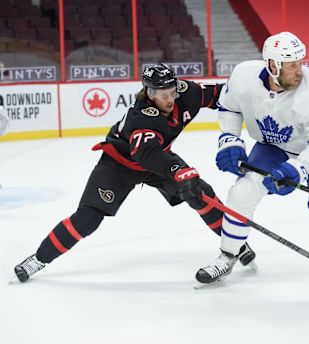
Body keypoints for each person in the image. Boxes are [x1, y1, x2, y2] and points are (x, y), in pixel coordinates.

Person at [14, 64, 256, 282]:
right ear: (150, 94)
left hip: (158, 157)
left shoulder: (186, 92)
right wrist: (180, 171)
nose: (171, 99)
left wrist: (254, 95)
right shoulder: (141, 118)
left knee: (201, 194)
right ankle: (39, 258)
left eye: (173, 92)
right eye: (164, 95)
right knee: (88, 218)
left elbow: (221, 95)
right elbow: (147, 155)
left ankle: (235, 245)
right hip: (120, 165)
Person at [195, 32, 309, 285]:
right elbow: (230, 108)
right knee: (242, 193)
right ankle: (228, 256)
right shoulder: (244, 77)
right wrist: (229, 140)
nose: (299, 71)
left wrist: (297, 168)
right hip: (272, 147)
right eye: (291, 65)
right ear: (272, 65)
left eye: (300, 63)